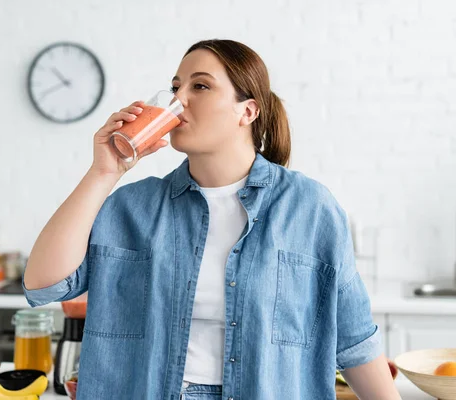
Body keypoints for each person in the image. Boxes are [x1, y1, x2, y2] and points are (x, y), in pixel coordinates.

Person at [23, 39, 401, 400]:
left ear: (247, 111)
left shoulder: (309, 208)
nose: (178, 99)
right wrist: (103, 172)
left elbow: (353, 341)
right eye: (175, 87)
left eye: (200, 86)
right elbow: (43, 285)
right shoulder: (131, 207)